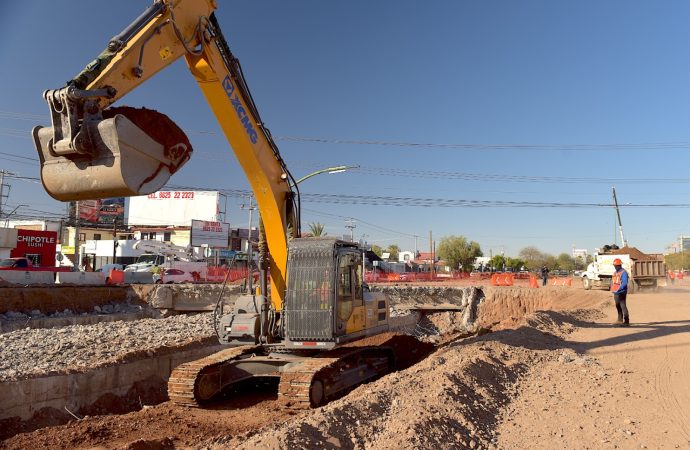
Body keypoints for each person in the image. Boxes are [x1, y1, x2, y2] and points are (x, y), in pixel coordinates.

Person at [611, 258, 630, 326]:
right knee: (617, 306)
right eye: (614, 265)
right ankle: (619, 320)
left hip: (622, 292)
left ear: (619, 265)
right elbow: (613, 281)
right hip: (615, 292)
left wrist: (619, 288)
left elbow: (625, 282)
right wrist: (612, 288)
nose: (615, 267)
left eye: (616, 265)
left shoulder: (623, 272)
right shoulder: (615, 273)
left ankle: (627, 321)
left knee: (623, 306)